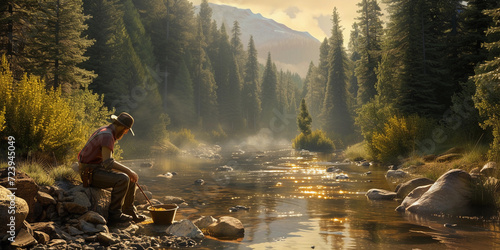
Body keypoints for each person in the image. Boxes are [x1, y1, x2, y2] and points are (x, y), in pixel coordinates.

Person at [78, 112, 146, 224]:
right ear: (123, 128)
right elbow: (108, 163)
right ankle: (115, 215)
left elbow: (105, 162)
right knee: (123, 178)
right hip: (89, 174)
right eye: (126, 130)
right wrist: (128, 170)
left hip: (95, 169)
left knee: (129, 177)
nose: (126, 133)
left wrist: (129, 173)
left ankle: (129, 212)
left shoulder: (106, 130)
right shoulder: (107, 136)